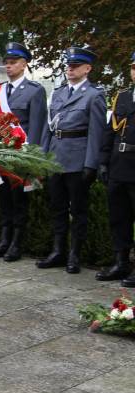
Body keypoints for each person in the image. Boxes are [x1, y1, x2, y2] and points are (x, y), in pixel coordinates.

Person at [37, 46, 107, 273]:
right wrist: (44, 158)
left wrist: (90, 164)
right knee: (56, 208)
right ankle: (58, 251)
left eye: (75, 66)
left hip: (77, 159)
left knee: (78, 210)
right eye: (68, 65)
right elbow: (49, 129)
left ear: (88, 69)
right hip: (56, 157)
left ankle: (74, 255)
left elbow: (96, 133)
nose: (70, 69)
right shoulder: (58, 93)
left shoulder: (94, 95)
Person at [0, 43, 49, 261]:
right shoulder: (0, 90)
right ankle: (5, 239)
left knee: (19, 201)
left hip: (22, 154)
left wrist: (35, 158)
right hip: (2, 154)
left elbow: (39, 126)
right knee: (4, 199)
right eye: (7, 62)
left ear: (24, 64)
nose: (8, 66)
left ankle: (16, 243)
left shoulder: (35, 90)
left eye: (13, 62)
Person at [97, 52, 135, 285]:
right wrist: (103, 161)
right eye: (133, 67)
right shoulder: (122, 97)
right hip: (118, 165)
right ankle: (121, 263)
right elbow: (109, 131)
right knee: (118, 218)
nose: (134, 72)